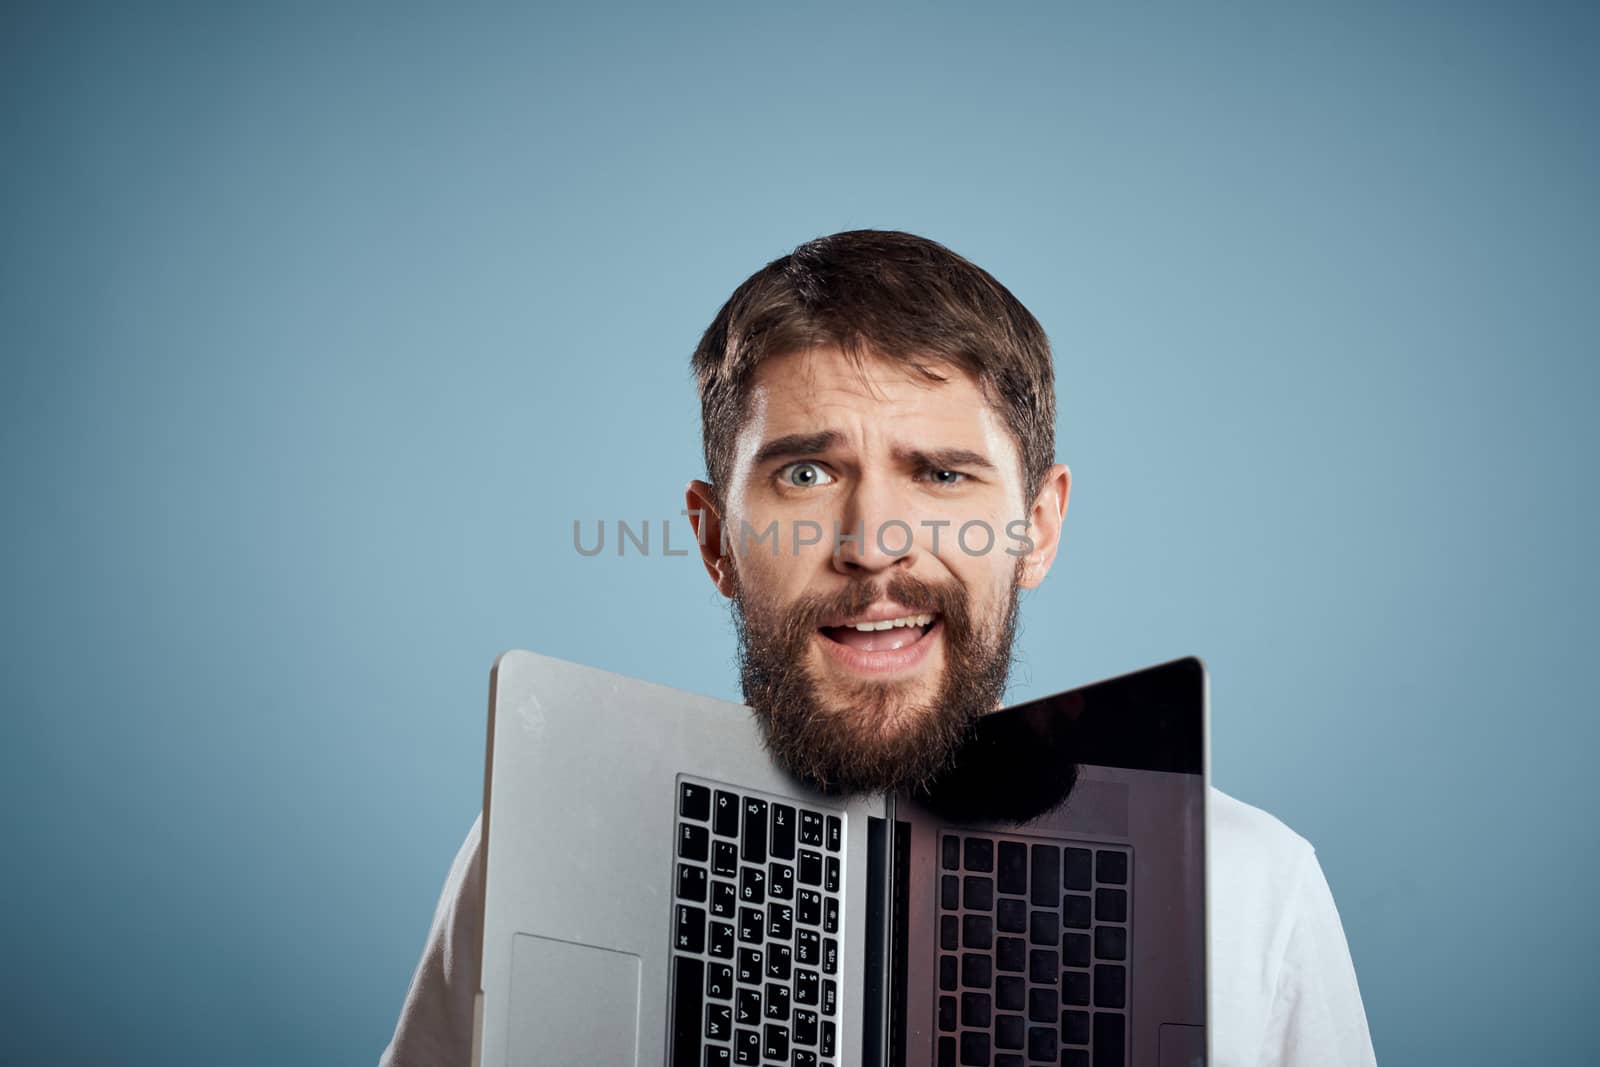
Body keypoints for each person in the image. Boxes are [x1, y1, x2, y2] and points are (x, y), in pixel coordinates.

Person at [379, 230, 1377, 1066]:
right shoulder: (541, 843)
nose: (872, 544)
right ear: (716, 539)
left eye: (940, 474)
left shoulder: (1253, 885)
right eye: (806, 473)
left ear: (1037, 526)